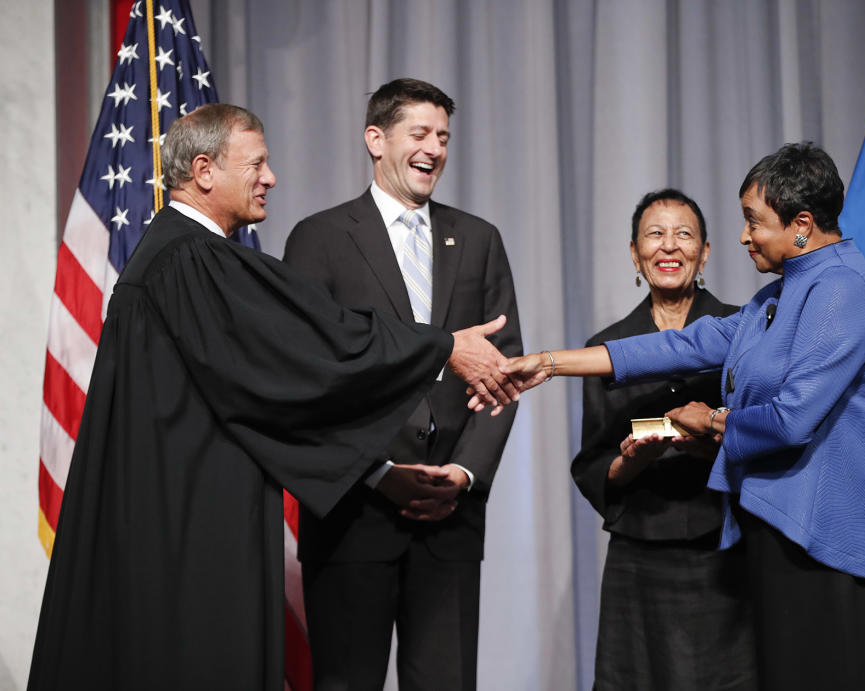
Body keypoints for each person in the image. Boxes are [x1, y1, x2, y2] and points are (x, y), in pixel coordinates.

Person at [28, 103, 520, 691]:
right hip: (190, 524)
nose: (271, 177)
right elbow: (312, 344)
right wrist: (441, 348)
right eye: (257, 163)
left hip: (176, 506)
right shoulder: (192, 257)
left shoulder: (181, 253)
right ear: (205, 171)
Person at [497, 143, 865, 690]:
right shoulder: (778, 296)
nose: (744, 236)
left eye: (753, 221)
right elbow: (679, 347)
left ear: (802, 224)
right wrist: (548, 363)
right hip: (783, 536)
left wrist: (709, 421)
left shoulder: (841, 290)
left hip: (829, 548)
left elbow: (790, 419)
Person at [284, 78, 522, 691]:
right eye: (420, 134)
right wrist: (381, 474)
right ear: (376, 139)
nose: (435, 148)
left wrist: (464, 476)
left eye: (443, 137)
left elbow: (506, 367)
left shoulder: (478, 239)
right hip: (353, 513)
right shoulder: (319, 239)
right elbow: (307, 378)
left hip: (450, 520)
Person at [573, 189, 754, 690]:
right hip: (640, 553)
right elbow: (595, 465)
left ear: (706, 251)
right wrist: (633, 460)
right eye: (654, 234)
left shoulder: (746, 331)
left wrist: (714, 445)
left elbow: (772, 436)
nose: (668, 247)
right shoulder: (605, 350)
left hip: (730, 547)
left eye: (683, 235)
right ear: (635, 253)